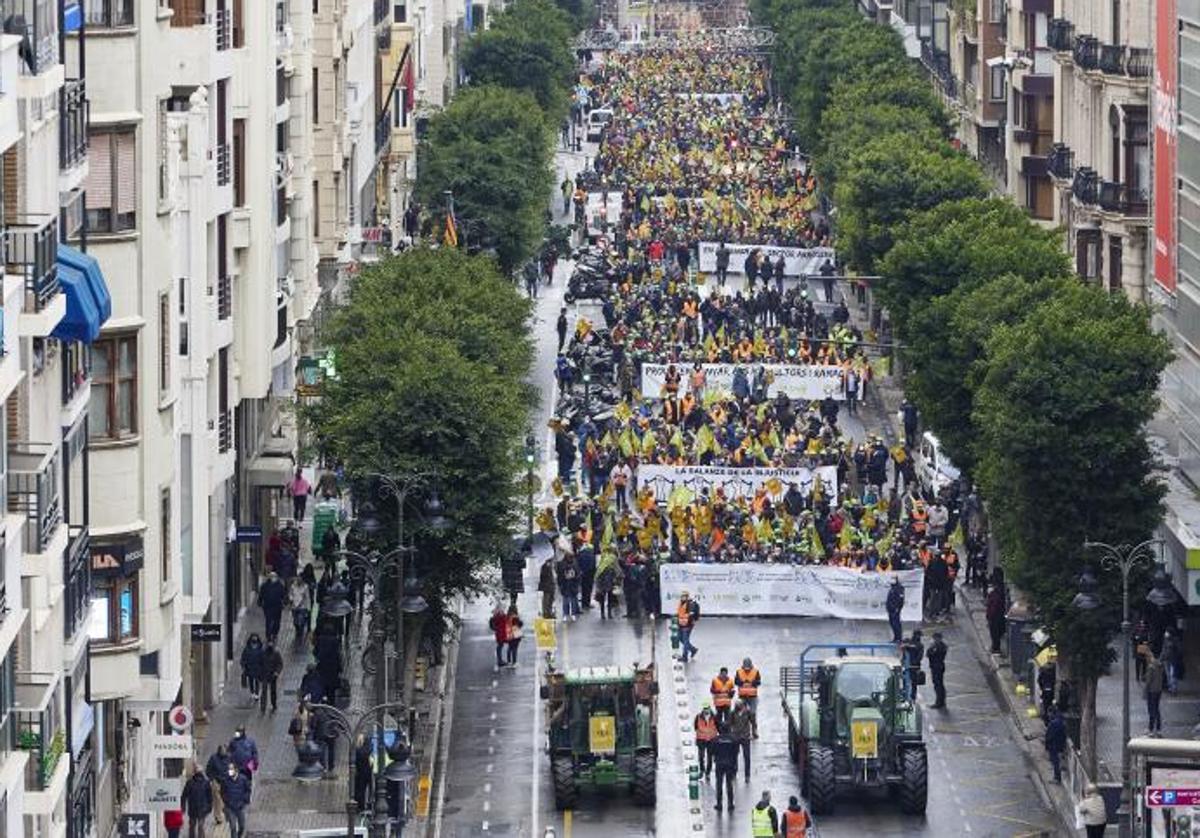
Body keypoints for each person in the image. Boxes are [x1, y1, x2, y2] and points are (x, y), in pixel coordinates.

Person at [219, 761, 252, 838]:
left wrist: (245, 800)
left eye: (231, 769)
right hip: (230, 807)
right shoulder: (225, 781)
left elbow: (248, 790)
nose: (229, 771)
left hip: (240, 807)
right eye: (229, 769)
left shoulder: (243, 779)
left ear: (236, 770)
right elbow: (222, 792)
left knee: (242, 826)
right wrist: (226, 801)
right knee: (233, 827)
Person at [712, 722, 738, 812]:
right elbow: (736, 752)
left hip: (719, 763)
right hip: (729, 763)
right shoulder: (733, 739)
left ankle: (719, 804)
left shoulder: (716, 740)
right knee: (729, 784)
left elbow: (712, 751)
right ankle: (730, 804)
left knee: (719, 784)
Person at [182, 764, 213, 838]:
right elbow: (184, 795)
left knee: (200, 825)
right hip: (193, 808)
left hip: (202, 808)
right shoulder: (190, 783)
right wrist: (183, 806)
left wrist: (209, 806)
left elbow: (209, 796)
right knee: (193, 826)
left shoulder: (206, 783)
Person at [734, 657, 761, 738]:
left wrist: (752, 683)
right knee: (742, 715)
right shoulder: (739, 672)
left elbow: (759, 682)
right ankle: (743, 732)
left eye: (748, 669)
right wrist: (742, 682)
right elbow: (736, 681)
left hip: (753, 697)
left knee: (752, 714)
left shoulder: (755, 672)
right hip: (742, 697)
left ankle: (754, 731)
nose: (747, 670)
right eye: (746, 669)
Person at [204, 746, 230, 824]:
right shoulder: (213, 758)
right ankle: (218, 817)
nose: (223, 752)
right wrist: (212, 779)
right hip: (216, 782)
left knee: (225, 799)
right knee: (217, 800)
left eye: (224, 751)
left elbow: (232, 769)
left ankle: (225, 811)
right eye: (222, 751)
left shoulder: (229, 758)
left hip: (226, 782)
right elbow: (208, 769)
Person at [258, 571, 286, 643]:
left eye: (274, 577)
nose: (273, 578)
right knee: (268, 621)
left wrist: (285, 602)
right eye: (271, 577)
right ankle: (268, 635)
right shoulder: (265, 586)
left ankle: (274, 633)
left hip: (277, 606)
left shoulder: (280, 586)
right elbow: (261, 594)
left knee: (277, 621)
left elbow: (283, 595)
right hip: (268, 606)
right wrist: (260, 601)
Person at [730, 699, 754, 780]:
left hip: (745, 737)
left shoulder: (748, 712)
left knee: (747, 756)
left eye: (739, 706)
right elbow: (730, 724)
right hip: (736, 737)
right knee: (733, 756)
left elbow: (753, 722)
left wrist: (754, 733)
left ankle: (747, 775)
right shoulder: (733, 713)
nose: (738, 707)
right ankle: (734, 773)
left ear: (743, 706)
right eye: (737, 706)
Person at [694, 701, 719, 780]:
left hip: (711, 740)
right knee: (701, 756)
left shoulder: (714, 717)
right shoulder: (698, 717)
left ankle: (707, 773)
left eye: (707, 708)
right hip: (701, 740)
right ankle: (702, 770)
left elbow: (718, 727)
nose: (706, 710)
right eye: (705, 709)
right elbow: (695, 727)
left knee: (710, 758)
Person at [676, 591, 700, 662]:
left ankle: (685, 656)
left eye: (684, 596)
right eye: (682, 596)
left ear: (687, 597)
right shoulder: (681, 603)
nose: (682, 597)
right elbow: (680, 614)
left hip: (687, 625)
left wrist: (689, 619)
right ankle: (693, 649)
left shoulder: (690, 604)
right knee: (681, 639)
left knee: (685, 640)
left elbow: (691, 614)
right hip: (681, 624)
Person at [260, 641, 283, 713]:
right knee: (264, 691)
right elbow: (259, 663)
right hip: (264, 674)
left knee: (273, 691)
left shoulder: (276, 653)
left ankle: (274, 704)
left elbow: (280, 664)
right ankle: (263, 706)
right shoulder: (263, 653)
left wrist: (277, 672)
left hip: (272, 675)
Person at [1044, 708, 1067, 782]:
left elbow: (1049, 736)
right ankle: (1057, 776)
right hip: (1059, 745)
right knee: (1057, 761)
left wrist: (1047, 745)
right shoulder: (1061, 721)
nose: (1048, 715)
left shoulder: (1053, 723)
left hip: (1054, 745)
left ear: (1051, 713)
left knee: (1055, 762)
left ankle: (1057, 778)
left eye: (1048, 713)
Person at [1145, 651, 1165, 735]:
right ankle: (1159, 728)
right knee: (1157, 709)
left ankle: (1151, 728)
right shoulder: (1160, 665)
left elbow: (1148, 681)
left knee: (1151, 709)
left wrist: (1145, 690)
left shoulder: (1151, 667)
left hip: (1151, 690)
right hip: (1158, 690)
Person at [985, 579, 1007, 654]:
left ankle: (995, 648)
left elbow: (992, 607)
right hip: (998, 616)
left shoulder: (994, 595)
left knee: (994, 632)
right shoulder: (999, 593)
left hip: (994, 616)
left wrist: (989, 616)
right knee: (996, 632)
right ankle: (995, 647)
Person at [240, 634, 264, 702]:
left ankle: (256, 693)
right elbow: (243, 658)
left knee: (257, 681)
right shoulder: (247, 649)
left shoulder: (260, 649)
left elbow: (262, 658)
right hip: (249, 667)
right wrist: (243, 665)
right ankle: (252, 692)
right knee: (251, 681)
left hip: (257, 668)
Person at [927, 631, 948, 709]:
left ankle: (939, 702)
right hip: (936, 666)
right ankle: (941, 701)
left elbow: (931, 654)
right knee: (938, 684)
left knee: (938, 685)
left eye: (935, 638)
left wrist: (932, 648)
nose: (934, 640)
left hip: (937, 667)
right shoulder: (939, 646)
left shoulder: (939, 647)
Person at [902, 630, 924, 701]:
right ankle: (907, 695)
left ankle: (912, 696)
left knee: (913, 682)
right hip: (911, 665)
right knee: (907, 681)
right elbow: (904, 649)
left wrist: (915, 662)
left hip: (913, 665)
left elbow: (920, 656)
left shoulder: (919, 645)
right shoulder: (915, 643)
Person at [353, 735, 373, 811]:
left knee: (361, 790)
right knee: (368, 789)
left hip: (361, 772)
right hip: (367, 771)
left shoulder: (357, 750)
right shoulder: (367, 749)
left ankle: (361, 807)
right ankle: (367, 805)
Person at [289, 575, 312, 643]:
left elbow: (307, 597)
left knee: (301, 620)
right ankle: (297, 629)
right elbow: (290, 594)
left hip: (302, 607)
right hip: (294, 606)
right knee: (295, 621)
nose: (298, 580)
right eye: (297, 579)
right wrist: (291, 599)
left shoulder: (305, 587)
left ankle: (300, 632)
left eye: (300, 579)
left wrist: (308, 607)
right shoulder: (293, 586)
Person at [488, 605, 510, 671]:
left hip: (499, 633)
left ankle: (500, 660)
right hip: (502, 634)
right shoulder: (501, 617)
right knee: (502, 646)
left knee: (500, 646)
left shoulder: (496, 617)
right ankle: (501, 661)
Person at [886, 575, 905, 644]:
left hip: (895, 609)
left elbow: (901, 600)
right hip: (890, 609)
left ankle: (899, 638)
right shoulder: (892, 587)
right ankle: (895, 637)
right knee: (892, 623)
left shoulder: (899, 588)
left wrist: (898, 608)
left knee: (896, 623)